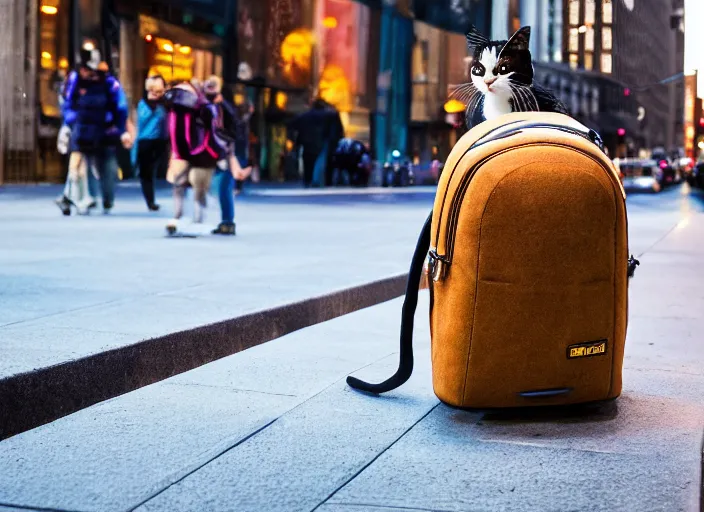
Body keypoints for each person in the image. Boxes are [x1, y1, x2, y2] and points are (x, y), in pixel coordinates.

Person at [54, 50, 131, 215]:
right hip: (82, 131)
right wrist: (71, 124)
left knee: (108, 167)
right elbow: (67, 104)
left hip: (106, 130)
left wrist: (122, 129)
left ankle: (105, 199)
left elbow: (120, 107)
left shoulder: (109, 83)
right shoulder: (75, 81)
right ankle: (84, 198)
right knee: (80, 165)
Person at [164, 80, 228, 235]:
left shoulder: (205, 109)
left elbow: (214, 132)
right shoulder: (177, 110)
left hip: (202, 153)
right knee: (179, 183)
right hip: (185, 152)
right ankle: (179, 217)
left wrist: (220, 153)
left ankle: (199, 218)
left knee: (197, 186)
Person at [287, 98, 343, 187]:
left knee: (307, 162)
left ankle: (307, 180)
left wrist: (294, 139)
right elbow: (337, 130)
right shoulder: (329, 115)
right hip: (322, 142)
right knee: (320, 161)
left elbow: (291, 124)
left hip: (306, 143)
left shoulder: (304, 116)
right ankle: (317, 180)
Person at [135, 75, 168, 211]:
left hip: (161, 141)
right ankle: (150, 200)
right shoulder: (143, 104)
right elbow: (142, 121)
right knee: (146, 173)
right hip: (145, 141)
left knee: (158, 170)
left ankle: (152, 198)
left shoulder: (165, 104)